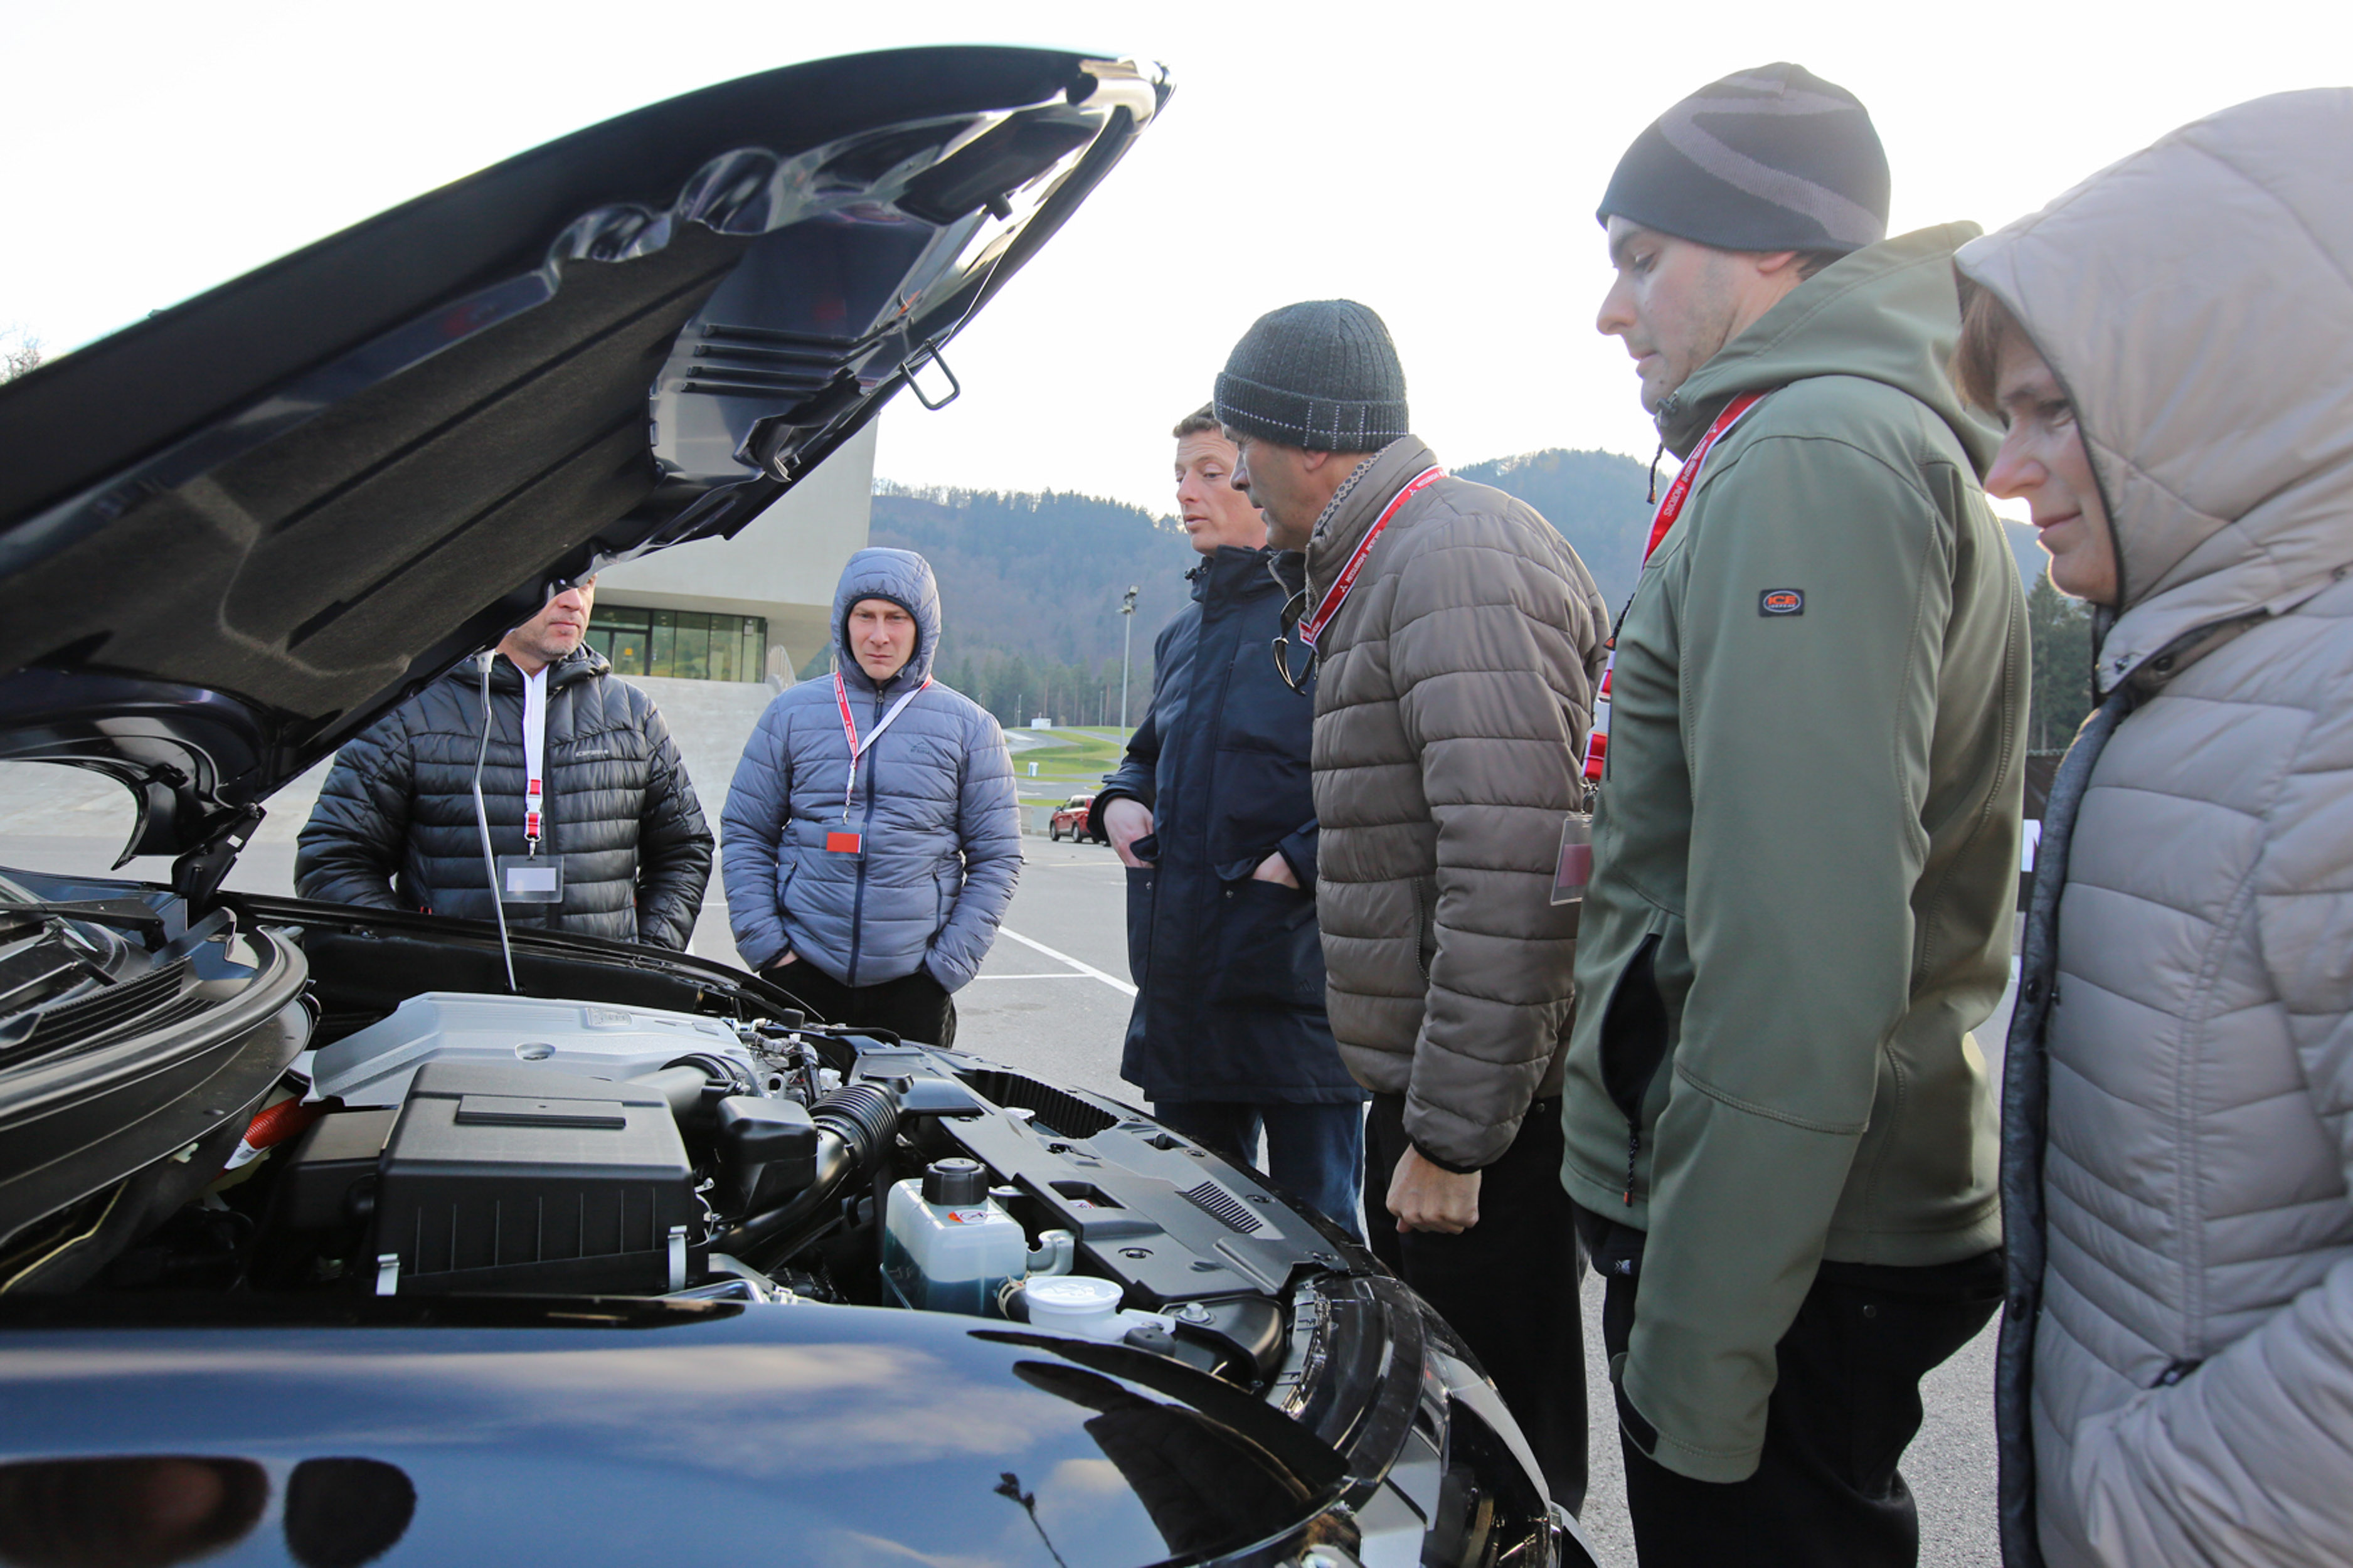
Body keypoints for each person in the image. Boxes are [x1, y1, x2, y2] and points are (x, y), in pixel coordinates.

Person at [1559, 64, 2024, 1565]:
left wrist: (1698, 1355)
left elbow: (1798, 955)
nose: (1611, 309)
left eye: (1640, 257)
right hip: (1793, 1222)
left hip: (1782, 1240)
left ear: (1771, 245)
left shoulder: (1810, 457)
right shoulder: (1828, 439)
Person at [1952, 90, 2353, 1568]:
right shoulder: (2200, 679)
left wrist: (2155, 1500)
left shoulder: (2322, 719)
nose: (2004, 471)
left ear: (2230, 385)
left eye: (2052, 409)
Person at [1216, 299, 1607, 1509]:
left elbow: (1518, 864)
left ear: (1308, 440)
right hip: (1447, 1094)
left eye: (1244, 441)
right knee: (1446, 1443)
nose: (1235, 470)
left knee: (1498, 1457)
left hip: (1487, 1120)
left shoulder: (1452, 561)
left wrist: (1451, 1136)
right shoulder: (1394, 562)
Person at [1093, 405, 1365, 1238]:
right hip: (1185, 992)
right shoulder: (1180, 636)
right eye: (1180, 475)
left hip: (1297, 997)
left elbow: (1381, 786)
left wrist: (1294, 864)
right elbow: (1144, 754)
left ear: (1257, 475)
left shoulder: (1335, 622)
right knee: (1193, 1235)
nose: (1187, 493)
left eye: (1210, 472)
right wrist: (1119, 801)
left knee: (1321, 1239)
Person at [297, 576, 713, 948]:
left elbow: (684, 847)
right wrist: (408, 954)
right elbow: (335, 857)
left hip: (597, 994)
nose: (574, 601)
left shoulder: (631, 713)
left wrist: (649, 958)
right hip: (454, 995)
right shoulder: (411, 711)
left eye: (586, 583)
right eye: (556, 583)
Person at [721, 548, 1019, 1045]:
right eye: (865, 616)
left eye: (896, 618)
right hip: (798, 977)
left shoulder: (971, 728)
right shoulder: (790, 714)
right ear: (844, 622)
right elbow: (745, 833)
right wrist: (770, 952)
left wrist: (944, 970)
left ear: (922, 628)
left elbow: (998, 857)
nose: (879, 635)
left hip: (913, 988)